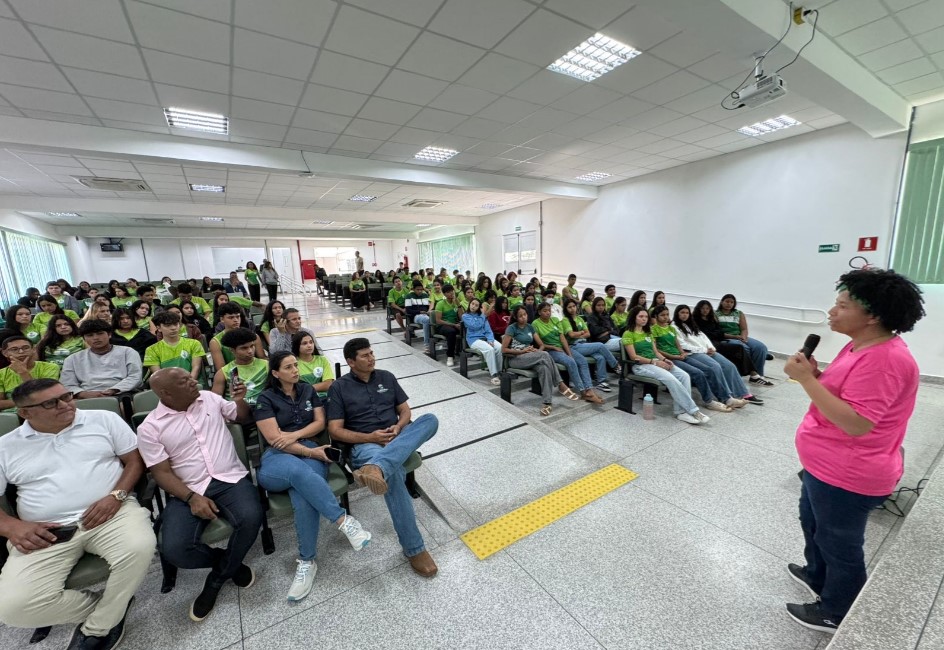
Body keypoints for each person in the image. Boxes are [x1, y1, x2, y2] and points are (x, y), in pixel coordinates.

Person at [783, 269, 925, 634]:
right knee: (812, 524)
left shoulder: (887, 359)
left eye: (842, 305)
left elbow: (858, 423)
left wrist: (806, 380)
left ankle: (837, 611)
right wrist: (816, 375)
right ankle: (817, 577)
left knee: (839, 544)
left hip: (848, 473)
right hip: (823, 464)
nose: (832, 311)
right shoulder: (859, 345)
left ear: (873, 316)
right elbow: (844, 392)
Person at [0, 378, 156, 650]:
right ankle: (113, 607)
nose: (65, 405)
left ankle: (98, 628)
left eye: (67, 396)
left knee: (139, 547)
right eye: (51, 403)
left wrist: (116, 496)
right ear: (24, 412)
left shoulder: (102, 419)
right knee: (13, 608)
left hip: (111, 513)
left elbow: (134, 461)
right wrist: (11, 527)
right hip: (44, 530)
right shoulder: (5, 446)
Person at [137, 368, 262, 621]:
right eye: (185, 381)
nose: (194, 381)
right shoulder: (150, 427)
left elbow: (241, 416)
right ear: (165, 393)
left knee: (251, 517)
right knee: (175, 549)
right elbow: (161, 473)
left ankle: (216, 580)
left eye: (190, 377)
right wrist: (191, 498)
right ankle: (229, 563)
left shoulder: (210, 399)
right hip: (188, 489)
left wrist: (239, 399)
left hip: (230, 478)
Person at [254, 352, 372, 602]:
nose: (295, 370)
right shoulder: (265, 399)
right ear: (275, 373)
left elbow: (320, 423)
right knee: (299, 472)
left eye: (296, 365)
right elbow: (276, 440)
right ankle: (343, 521)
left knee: (303, 497)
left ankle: (307, 561)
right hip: (278, 458)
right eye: (288, 367)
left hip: (308, 451)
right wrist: (308, 450)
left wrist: (294, 435)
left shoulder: (307, 389)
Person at [326, 338, 439, 578]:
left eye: (372, 353)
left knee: (430, 419)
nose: (372, 358)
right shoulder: (339, 388)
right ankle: (414, 548)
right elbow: (335, 430)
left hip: (397, 436)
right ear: (351, 362)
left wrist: (398, 427)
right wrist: (370, 437)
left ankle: (376, 467)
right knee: (396, 474)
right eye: (365, 356)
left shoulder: (386, 377)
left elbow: (405, 411)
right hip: (366, 445)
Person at [621, 306, 708, 425]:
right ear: (633, 318)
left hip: (656, 361)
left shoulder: (648, 332)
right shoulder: (628, 334)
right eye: (641, 316)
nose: (644, 319)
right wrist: (655, 362)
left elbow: (656, 352)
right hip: (641, 366)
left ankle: (680, 412)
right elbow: (633, 357)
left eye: (646, 316)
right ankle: (693, 410)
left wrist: (665, 359)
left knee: (684, 376)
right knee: (671, 378)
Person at [672, 305, 761, 406]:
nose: (685, 315)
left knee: (729, 365)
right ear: (677, 314)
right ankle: (728, 396)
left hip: (707, 351)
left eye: (687, 313)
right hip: (694, 353)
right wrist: (704, 350)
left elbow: (704, 337)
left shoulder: (691, 324)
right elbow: (683, 345)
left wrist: (711, 348)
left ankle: (743, 393)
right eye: (682, 313)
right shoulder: (674, 327)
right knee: (715, 366)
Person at [650, 305, 733, 413]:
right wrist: (675, 356)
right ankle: (709, 401)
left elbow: (677, 343)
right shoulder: (653, 330)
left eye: (667, 314)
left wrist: (681, 353)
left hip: (681, 356)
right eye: (662, 315)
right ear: (656, 316)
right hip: (670, 359)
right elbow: (657, 350)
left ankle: (726, 398)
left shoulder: (670, 328)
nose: (665, 317)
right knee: (698, 373)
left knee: (709, 369)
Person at [501, 305, 580, 416]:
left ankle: (546, 402)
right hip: (515, 359)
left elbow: (541, 345)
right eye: (520, 316)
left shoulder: (529, 327)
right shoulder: (512, 328)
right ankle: (560, 384)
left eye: (525, 314)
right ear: (515, 317)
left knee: (544, 367)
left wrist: (535, 351)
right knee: (544, 355)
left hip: (529, 357)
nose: (523, 317)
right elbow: (503, 350)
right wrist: (523, 351)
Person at [532, 302, 603, 404]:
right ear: (539, 312)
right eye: (545, 311)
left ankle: (589, 389)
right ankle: (583, 392)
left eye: (549, 310)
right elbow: (540, 344)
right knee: (571, 362)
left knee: (582, 361)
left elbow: (563, 339)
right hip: (550, 350)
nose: (548, 313)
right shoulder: (535, 324)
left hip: (562, 348)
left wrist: (569, 352)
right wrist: (554, 347)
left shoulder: (555, 320)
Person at [61, 320, 143, 399]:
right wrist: (83, 394)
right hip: (86, 396)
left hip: (123, 393)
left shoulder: (128, 352)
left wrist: (113, 390)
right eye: (90, 335)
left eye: (100, 333)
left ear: (109, 334)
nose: (95, 338)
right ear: (84, 338)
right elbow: (68, 384)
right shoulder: (72, 359)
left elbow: (135, 377)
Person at [560, 298, 619, 393]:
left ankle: (601, 382)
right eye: (569, 307)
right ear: (566, 309)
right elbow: (571, 335)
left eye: (574, 306)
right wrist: (582, 332)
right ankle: (615, 365)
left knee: (600, 357)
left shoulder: (579, 319)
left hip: (584, 344)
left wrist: (579, 333)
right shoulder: (565, 320)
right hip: (574, 346)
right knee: (600, 346)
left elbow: (588, 334)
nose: (572, 309)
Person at [716, 294, 774, 386]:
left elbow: (744, 329)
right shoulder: (715, 314)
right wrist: (736, 338)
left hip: (739, 336)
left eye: (732, 302)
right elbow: (718, 332)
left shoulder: (738, 313)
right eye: (727, 301)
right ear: (721, 302)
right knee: (744, 348)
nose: (729, 304)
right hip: (726, 338)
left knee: (760, 347)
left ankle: (758, 375)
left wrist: (744, 337)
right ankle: (752, 373)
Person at [693, 300, 754, 377]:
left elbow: (720, 332)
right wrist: (715, 333)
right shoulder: (695, 320)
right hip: (709, 344)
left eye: (707, 308)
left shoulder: (711, 319)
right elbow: (704, 334)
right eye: (703, 308)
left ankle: (746, 373)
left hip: (718, 341)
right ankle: (752, 373)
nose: (705, 310)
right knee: (737, 348)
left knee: (739, 349)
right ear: (699, 309)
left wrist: (714, 333)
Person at [211, 328, 268, 407]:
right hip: (236, 413)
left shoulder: (267, 365)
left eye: (252, 346)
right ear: (232, 350)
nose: (250, 351)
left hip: (263, 410)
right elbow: (214, 403)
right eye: (244, 348)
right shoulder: (223, 373)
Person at [0, 336, 61, 410]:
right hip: (11, 415)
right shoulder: (1, 373)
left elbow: (45, 395)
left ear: (33, 349)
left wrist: (23, 372)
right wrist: (27, 402)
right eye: (14, 349)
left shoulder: (50, 367)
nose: (21, 352)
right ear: (5, 353)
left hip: (44, 409)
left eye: (25, 348)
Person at [144, 311, 207, 381]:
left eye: (175, 324)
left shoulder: (194, 343)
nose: (173, 328)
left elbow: (196, 368)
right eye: (168, 325)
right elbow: (159, 375)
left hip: (192, 385)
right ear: (159, 328)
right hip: (167, 388)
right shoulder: (151, 350)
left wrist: (188, 384)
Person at [209, 303, 264, 370]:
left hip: (256, 371)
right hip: (232, 375)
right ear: (222, 319)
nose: (236, 320)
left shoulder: (253, 336)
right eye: (231, 317)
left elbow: (262, 358)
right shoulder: (215, 342)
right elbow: (221, 369)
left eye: (238, 317)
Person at [461, 299, 503, 385]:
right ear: (469, 304)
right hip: (473, 339)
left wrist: (490, 339)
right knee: (490, 350)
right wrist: (483, 315)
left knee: (499, 347)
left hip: (485, 338)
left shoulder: (482, 316)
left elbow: (488, 330)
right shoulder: (465, 316)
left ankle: (499, 371)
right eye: (472, 304)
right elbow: (475, 326)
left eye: (476, 305)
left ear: (478, 307)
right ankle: (494, 375)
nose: (473, 306)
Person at [292, 331, 333, 396]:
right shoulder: (293, 363)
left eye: (311, 342)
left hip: (325, 398)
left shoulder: (322, 360)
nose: (309, 345)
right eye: (304, 343)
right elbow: (295, 389)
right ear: (297, 346)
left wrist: (306, 389)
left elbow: (328, 384)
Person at [432, 284, 463, 367]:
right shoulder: (440, 303)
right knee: (451, 332)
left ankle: (464, 351)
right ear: (444, 294)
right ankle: (450, 356)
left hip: (454, 324)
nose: (451, 293)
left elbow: (461, 317)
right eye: (448, 292)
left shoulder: (456, 302)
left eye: (452, 291)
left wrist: (459, 305)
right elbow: (438, 320)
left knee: (465, 328)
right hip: (442, 326)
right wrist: (453, 325)